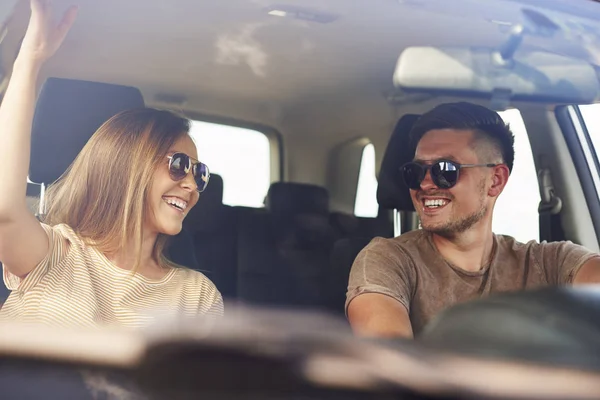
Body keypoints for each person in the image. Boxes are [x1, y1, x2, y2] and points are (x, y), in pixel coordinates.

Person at [0, 0, 223, 328]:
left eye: (199, 174)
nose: (191, 186)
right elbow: (4, 211)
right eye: (178, 165)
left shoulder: (197, 295)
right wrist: (28, 62)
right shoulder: (55, 254)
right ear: (127, 168)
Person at [346, 101, 600, 338]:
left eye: (445, 170)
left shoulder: (550, 263)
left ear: (495, 180)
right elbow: (391, 362)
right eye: (416, 171)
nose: (425, 184)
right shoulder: (388, 260)